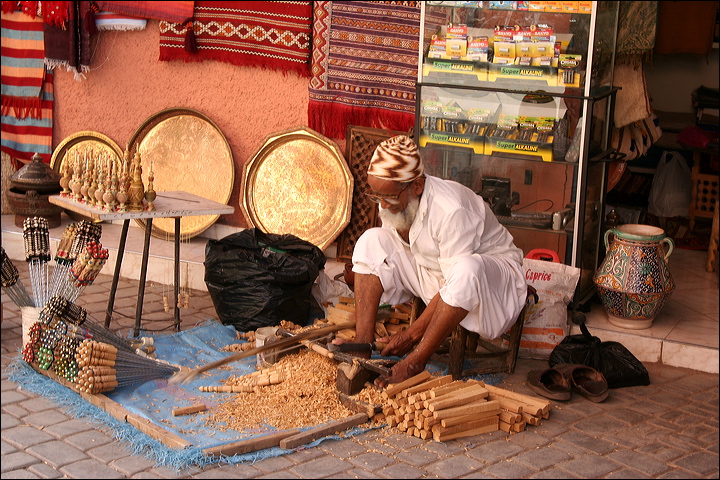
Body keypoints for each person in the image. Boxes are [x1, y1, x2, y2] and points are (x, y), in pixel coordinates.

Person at [342, 135, 527, 388]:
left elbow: (457, 279)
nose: (382, 205)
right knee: (370, 241)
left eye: (389, 198)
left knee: (465, 270)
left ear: (417, 186)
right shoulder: (396, 199)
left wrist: (412, 335)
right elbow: (405, 252)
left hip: (492, 288)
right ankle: (361, 349)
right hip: (436, 273)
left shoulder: (451, 210)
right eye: (377, 197)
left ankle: (414, 363)